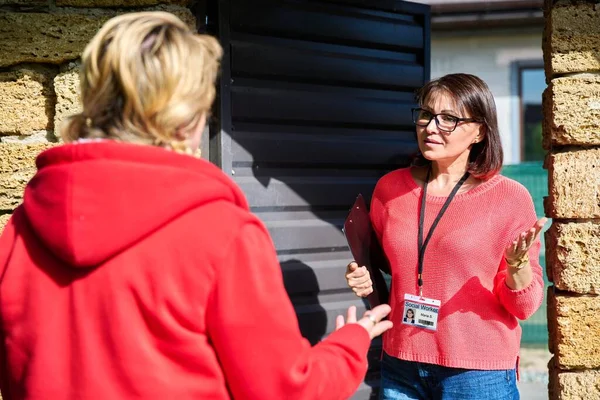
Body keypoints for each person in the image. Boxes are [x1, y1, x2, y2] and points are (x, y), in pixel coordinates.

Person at [0, 12, 393, 400]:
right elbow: (282, 391)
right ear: (186, 114)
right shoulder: (221, 231)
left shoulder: (19, 228)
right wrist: (349, 345)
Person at [345, 73, 546, 400]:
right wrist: (362, 277)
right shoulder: (389, 189)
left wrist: (517, 265)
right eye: (425, 114)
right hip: (401, 363)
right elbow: (384, 263)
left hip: (478, 372)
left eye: (448, 119)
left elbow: (523, 307)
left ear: (479, 131)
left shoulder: (510, 198)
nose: (431, 127)